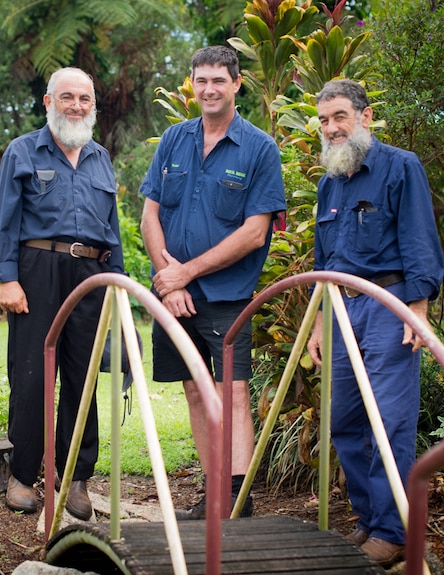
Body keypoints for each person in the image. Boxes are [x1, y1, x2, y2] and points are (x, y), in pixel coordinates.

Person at [140, 46, 287, 520]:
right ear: (192, 84)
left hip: (227, 297)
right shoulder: (174, 139)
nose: (208, 89)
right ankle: (214, 494)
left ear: (237, 83)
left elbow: (254, 232)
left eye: (218, 80)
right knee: (194, 391)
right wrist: (171, 281)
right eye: (201, 80)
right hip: (174, 295)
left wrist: (189, 272)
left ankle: (237, 505)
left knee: (233, 393)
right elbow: (151, 214)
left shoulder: (259, 148)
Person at [306, 79, 444, 566]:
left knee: (389, 421)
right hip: (340, 308)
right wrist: (320, 321)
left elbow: (419, 240)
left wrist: (418, 308)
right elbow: (324, 259)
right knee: (344, 419)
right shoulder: (330, 182)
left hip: (389, 305)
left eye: (339, 116)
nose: (331, 127)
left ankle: (393, 530)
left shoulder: (400, 167)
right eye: (324, 120)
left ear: (365, 117)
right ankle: (369, 520)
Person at [0, 67, 124, 520]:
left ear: (92, 106)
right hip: (36, 272)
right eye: (67, 97)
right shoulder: (22, 151)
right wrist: (7, 278)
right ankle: (22, 475)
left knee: (82, 378)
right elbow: (4, 219)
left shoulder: (101, 158)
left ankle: (76, 478)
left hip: (91, 273)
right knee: (31, 376)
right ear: (48, 102)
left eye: (84, 99)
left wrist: (118, 284)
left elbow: (113, 229)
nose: (76, 106)